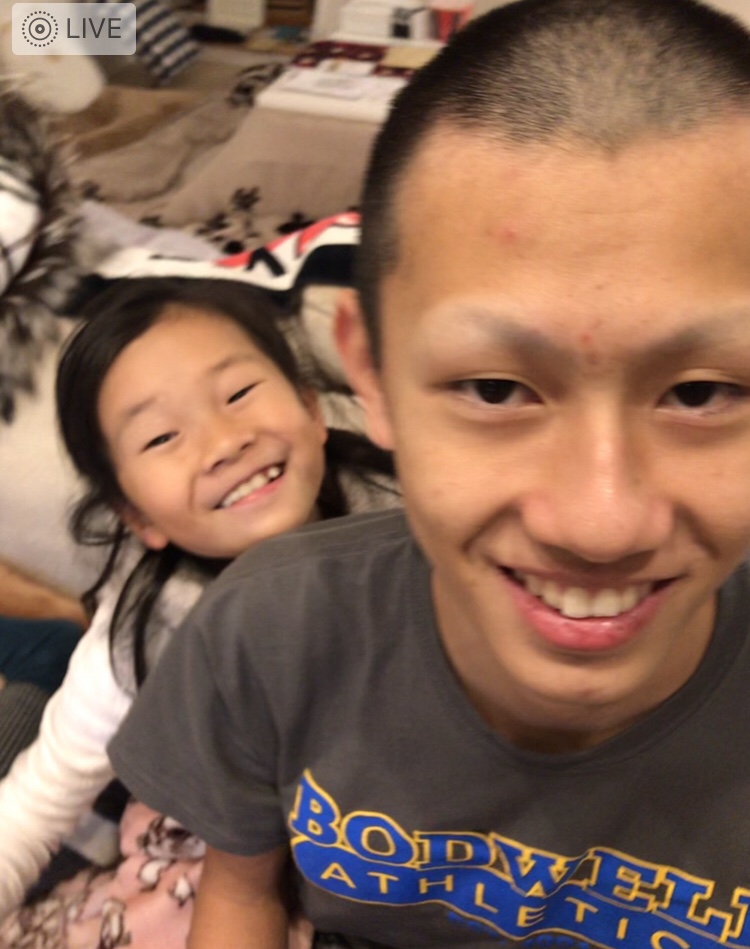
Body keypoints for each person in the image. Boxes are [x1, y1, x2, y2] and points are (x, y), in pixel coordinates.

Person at [107, 0, 750, 946]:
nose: (601, 521)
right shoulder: (273, 630)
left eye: (702, 393)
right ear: (370, 376)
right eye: (495, 388)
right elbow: (242, 893)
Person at [0, 275, 396, 945]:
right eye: (161, 437)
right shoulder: (149, 634)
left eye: (238, 393)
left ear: (310, 407)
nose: (222, 441)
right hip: (217, 861)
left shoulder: (414, 521)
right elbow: (39, 801)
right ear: (137, 516)